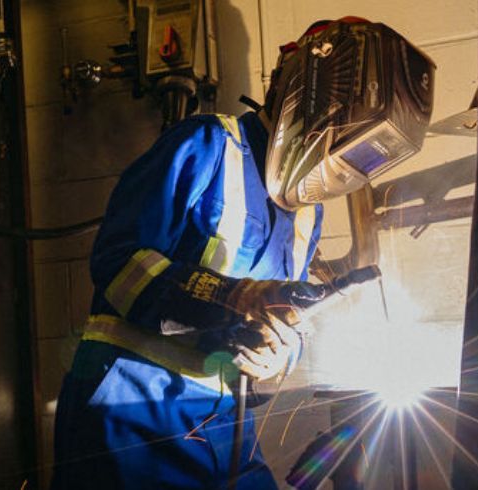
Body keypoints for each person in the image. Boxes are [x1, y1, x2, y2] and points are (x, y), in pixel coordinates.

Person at [51, 17, 435, 489]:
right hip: (133, 409)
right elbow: (117, 265)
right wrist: (236, 297)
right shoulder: (208, 145)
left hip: (221, 422)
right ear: (312, 94)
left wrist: (277, 357)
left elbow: (285, 321)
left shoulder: (307, 211)